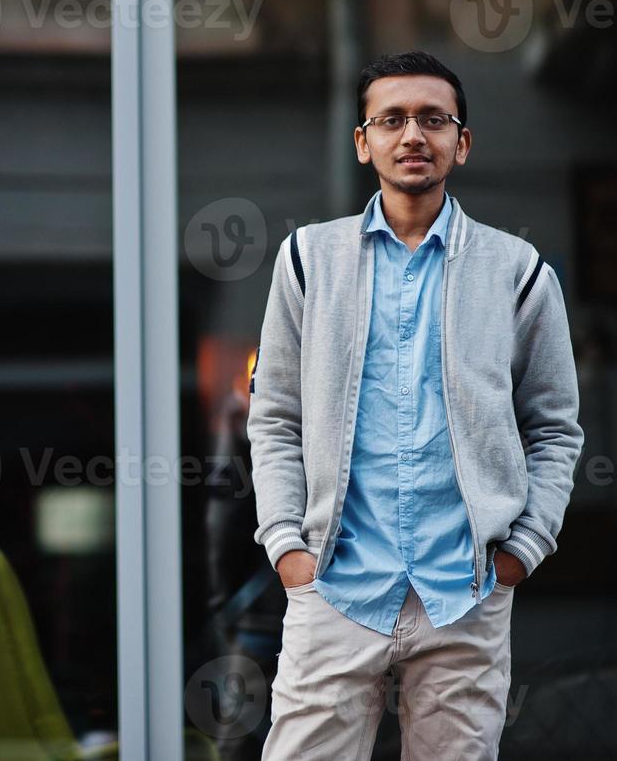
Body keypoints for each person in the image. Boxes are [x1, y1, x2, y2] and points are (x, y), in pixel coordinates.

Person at [247, 50, 585, 760]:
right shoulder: (308, 258)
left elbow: (554, 429)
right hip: (333, 584)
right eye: (391, 119)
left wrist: (522, 551)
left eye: (433, 120)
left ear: (460, 144)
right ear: (361, 141)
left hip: (464, 593)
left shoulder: (517, 273)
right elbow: (275, 415)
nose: (411, 136)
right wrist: (286, 547)